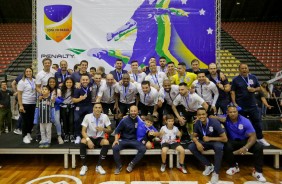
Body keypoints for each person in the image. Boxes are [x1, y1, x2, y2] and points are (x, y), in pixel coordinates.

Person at [223, 105, 266, 182]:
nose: (233, 114)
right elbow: (213, 117)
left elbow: (253, 136)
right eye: (230, 112)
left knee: (259, 147)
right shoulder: (225, 118)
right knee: (226, 146)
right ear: (227, 113)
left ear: (237, 112)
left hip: (245, 140)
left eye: (234, 112)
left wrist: (246, 147)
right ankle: (233, 167)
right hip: (233, 141)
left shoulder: (245, 121)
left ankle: (257, 171)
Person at [231, 63, 270, 146]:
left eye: (245, 68)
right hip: (241, 106)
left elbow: (259, 88)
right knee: (242, 123)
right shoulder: (236, 79)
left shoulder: (253, 77)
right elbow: (232, 92)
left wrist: (254, 89)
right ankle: (244, 139)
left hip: (252, 105)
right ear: (239, 70)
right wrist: (234, 103)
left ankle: (260, 138)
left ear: (248, 69)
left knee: (257, 122)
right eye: (242, 68)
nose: (244, 69)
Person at [188, 108, 227, 184]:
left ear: (206, 115)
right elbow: (193, 136)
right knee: (191, 147)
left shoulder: (215, 123)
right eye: (199, 115)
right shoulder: (197, 123)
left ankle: (216, 173)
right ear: (197, 116)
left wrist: (210, 138)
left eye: (203, 114)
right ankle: (208, 165)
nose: (201, 116)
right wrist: (197, 143)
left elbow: (225, 139)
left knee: (219, 147)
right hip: (205, 142)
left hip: (216, 141)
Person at [79, 103, 112, 176]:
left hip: (100, 138)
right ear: (93, 109)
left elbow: (110, 130)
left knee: (106, 142)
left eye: (99, 108)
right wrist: (88, 140)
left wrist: (103, 129)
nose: (97, 109)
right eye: (96, 107)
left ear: (101, 109)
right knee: (83, 141)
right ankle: (84, 165)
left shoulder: (105, 116)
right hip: (90, 137)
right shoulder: (87, 116)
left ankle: (99, 165)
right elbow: (83, 131)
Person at [112, 105, 146, 174]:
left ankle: (132, 164)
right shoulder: (124, 120)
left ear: (137, 111)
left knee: (143, 149)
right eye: (132, 111)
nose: (133, 112)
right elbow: (117, 131)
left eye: (135, 111)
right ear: (129, 111)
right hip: (124, 140)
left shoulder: (140, 121)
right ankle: (119, 166)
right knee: (115, 147)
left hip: (134, 141)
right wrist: (116, 140)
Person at [17, 67, 37, 144]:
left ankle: (28, 133)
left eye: (30, 71)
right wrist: (21, 105)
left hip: (33, 103)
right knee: (25, 121)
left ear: (32, 72)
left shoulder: (34, 81)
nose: (28, 73)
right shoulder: (22, 82)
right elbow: (19, 95)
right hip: (25, 103)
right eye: (27, 71)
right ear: (25, 73)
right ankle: (24, 136)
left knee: (31, 121)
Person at [72, 74, 93, 144]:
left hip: (89, 105)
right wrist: (80, 99)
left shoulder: (91, 86)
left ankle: (89, 135)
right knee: (77, 119)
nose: (85, 81)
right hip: (79, 106)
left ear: (89, 80)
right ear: (80, 80)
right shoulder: (77, 88)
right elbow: (74, 100)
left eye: (86, 80)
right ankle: (78, 136)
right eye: (83, 80)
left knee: (91, 119)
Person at [47, 77, 64, 144]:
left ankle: (59, 136)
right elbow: (42, 97)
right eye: (50, 82)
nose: (52, 83)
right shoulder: (45, 89)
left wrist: (56, 100)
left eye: (53, 82)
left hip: (56, 109)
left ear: (56, 82)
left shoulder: (58, 90)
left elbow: (61, 100)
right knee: (47, 123)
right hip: (47, 109)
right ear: (48, 82)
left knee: (57, 122)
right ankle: (47, 137)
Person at [60, 77, 75, 142]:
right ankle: (66, 134)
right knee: (65, 121)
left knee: (71, 121)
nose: (69, 84)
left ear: (73, 83)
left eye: (70, 82)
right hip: (63, 107)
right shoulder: (61, 90)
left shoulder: (75, 89)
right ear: (65, 83)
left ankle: (71, 134)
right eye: (67, 82)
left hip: (71, 107)